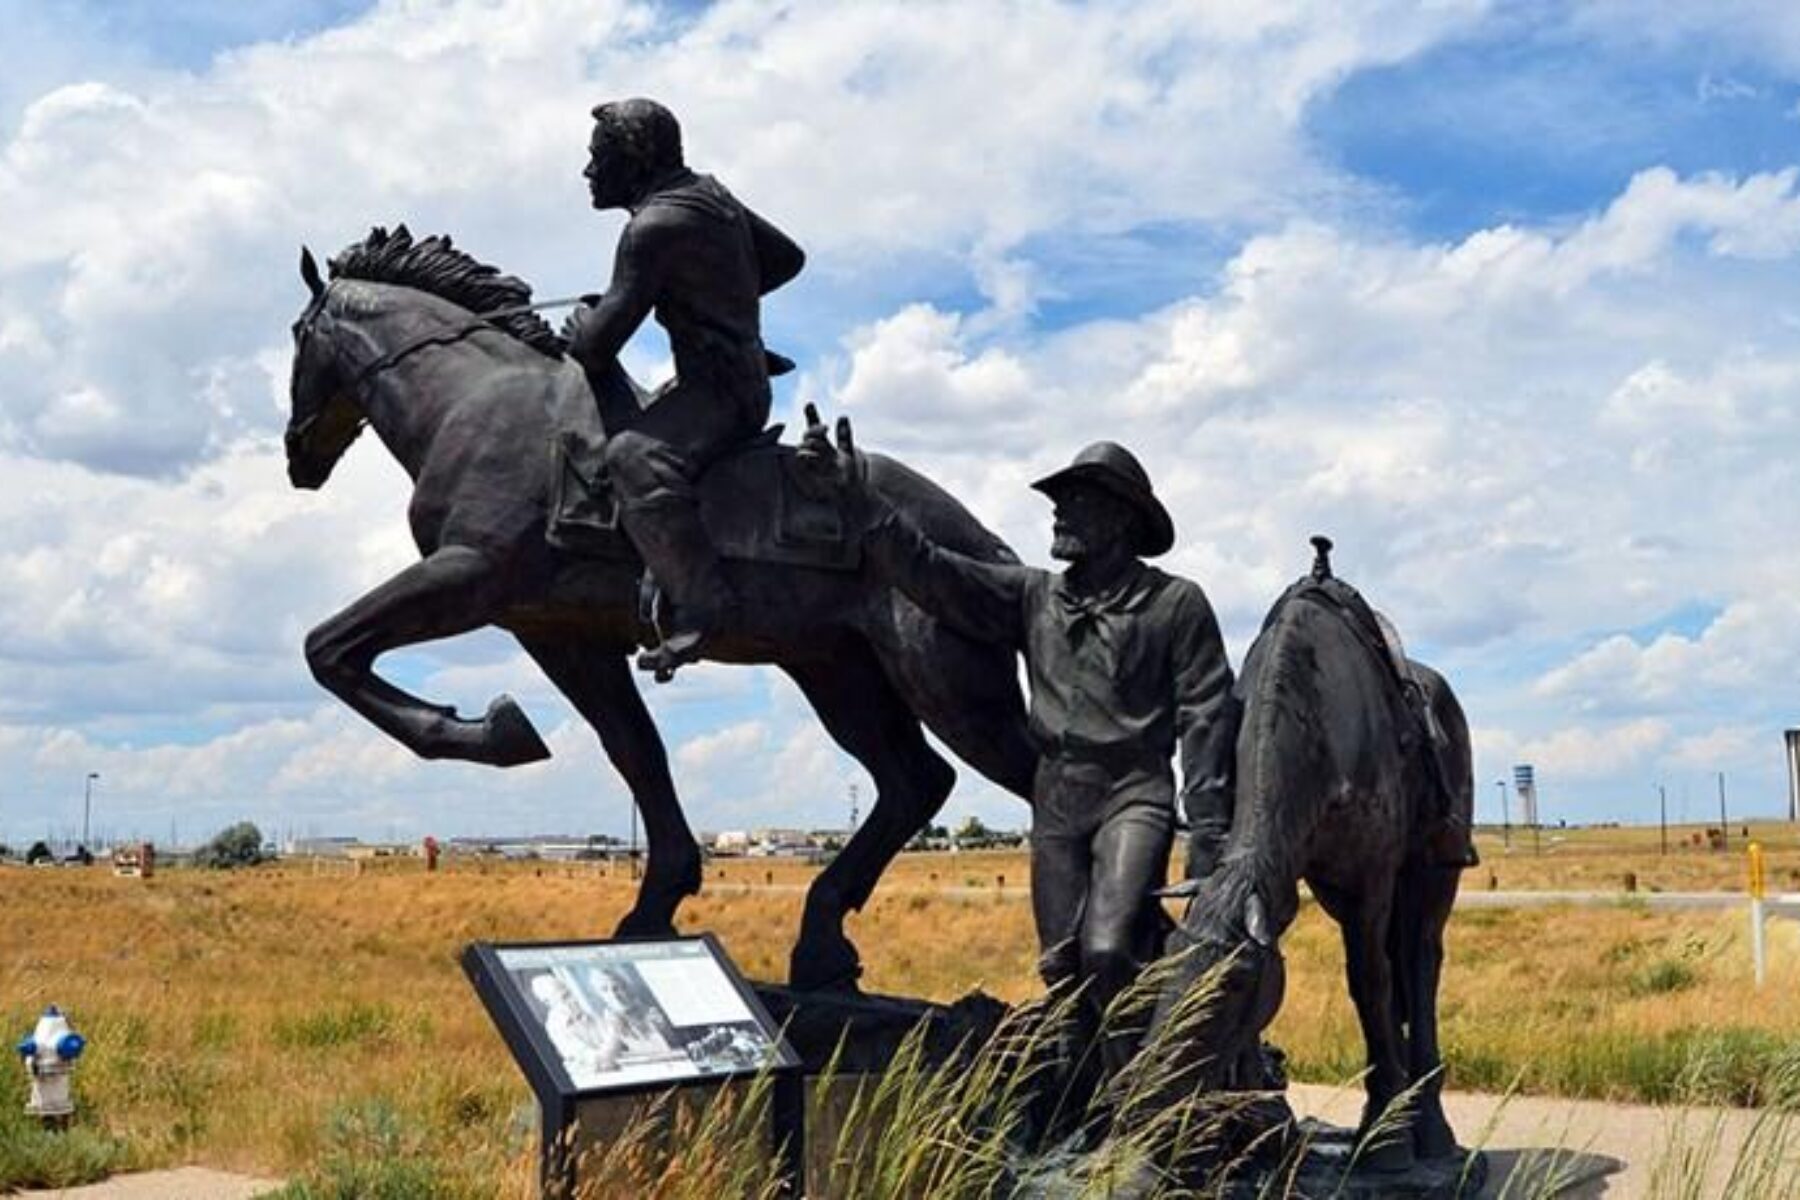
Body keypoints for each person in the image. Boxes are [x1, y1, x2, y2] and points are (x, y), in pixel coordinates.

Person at [802, 414, 1238, 1092]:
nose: (1058, 512)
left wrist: (1209, 841)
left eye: (1076, 499)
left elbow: (1207, 717)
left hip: (1134, 792)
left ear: (1122, 518)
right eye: (1058, 500)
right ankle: (1084, 1098)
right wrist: (864, 507)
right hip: (1058, 795)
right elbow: (935, 575)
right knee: (1062, 966)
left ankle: (1144, 1096)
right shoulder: (1035, 595)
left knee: (1108, 949)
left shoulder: (1174, 604)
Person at [564, 98, 806, 679]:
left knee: (633, 457)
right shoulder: (709, 195)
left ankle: (702, 605)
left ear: (635, 158)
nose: (588, 170)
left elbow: (595, 349)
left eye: (598, 156)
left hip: (719, 395)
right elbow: (785, 258)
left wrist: (584, 326)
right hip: (734, 380)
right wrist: (715, 294)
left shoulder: (652, 228)